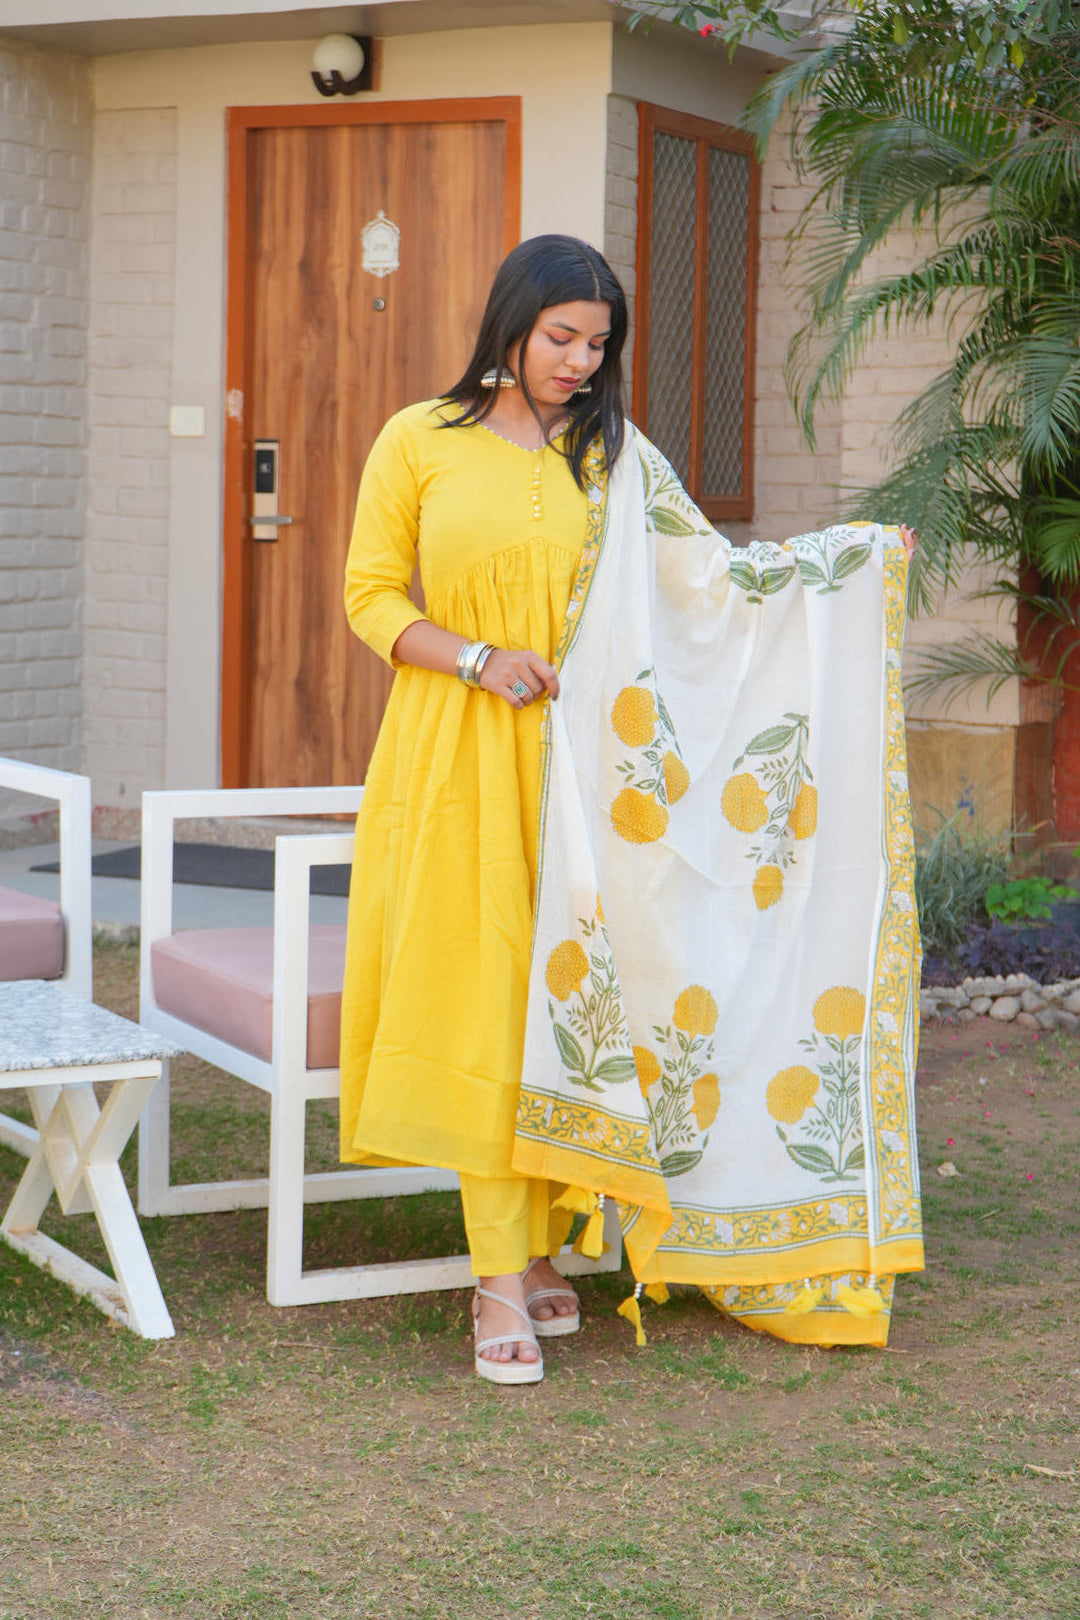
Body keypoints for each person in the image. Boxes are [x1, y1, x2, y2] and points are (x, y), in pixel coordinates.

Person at [340, 235, 922, 1386]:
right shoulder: (419, 439)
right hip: (455, 759)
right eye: (560, 336)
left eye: (597, 344)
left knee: (572, 996)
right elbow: (371, 598)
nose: (578, 361)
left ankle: (542, 1243)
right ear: (510, 324)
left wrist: (845, 566)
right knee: (488, 1003)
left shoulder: (613, 458)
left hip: (594, 775)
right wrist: (480, 660)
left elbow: (710, 584)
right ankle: (497, 1277)